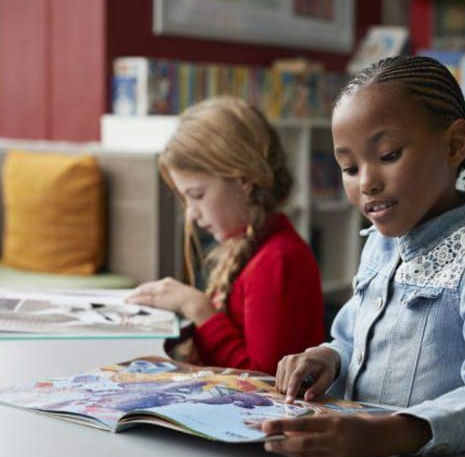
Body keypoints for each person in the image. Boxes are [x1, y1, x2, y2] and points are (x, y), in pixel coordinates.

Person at [261, 56, 465, 457]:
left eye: (388, 155)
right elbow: (352, 342)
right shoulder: (379, 242)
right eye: (350, 168)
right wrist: (327, 357)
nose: (367, 182)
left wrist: (383, 435)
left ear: (453, 145)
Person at [126, 96, 324, 375]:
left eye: (197, 195)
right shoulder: (246, 245)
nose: (192, 215)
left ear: (243, 180)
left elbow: (263, 381)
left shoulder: (277, 260)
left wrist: (199, 309)